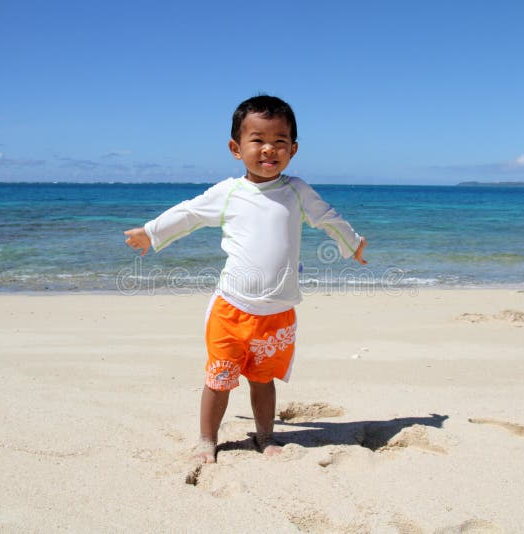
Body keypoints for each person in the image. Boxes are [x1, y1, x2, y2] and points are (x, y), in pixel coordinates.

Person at [124, 95, 367, 464]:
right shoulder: (229, 192)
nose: (269, 149)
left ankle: (266, 435)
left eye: (280, 141)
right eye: (257, 140)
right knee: (219, 379)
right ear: (236, 148)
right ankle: (207, 439)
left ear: (293, 149)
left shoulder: (297, 191)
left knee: (262, 379)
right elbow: (188, 214)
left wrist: (352, 243)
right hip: (232, 310)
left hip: (278, 314)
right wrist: (150, 232)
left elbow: (327, 217)